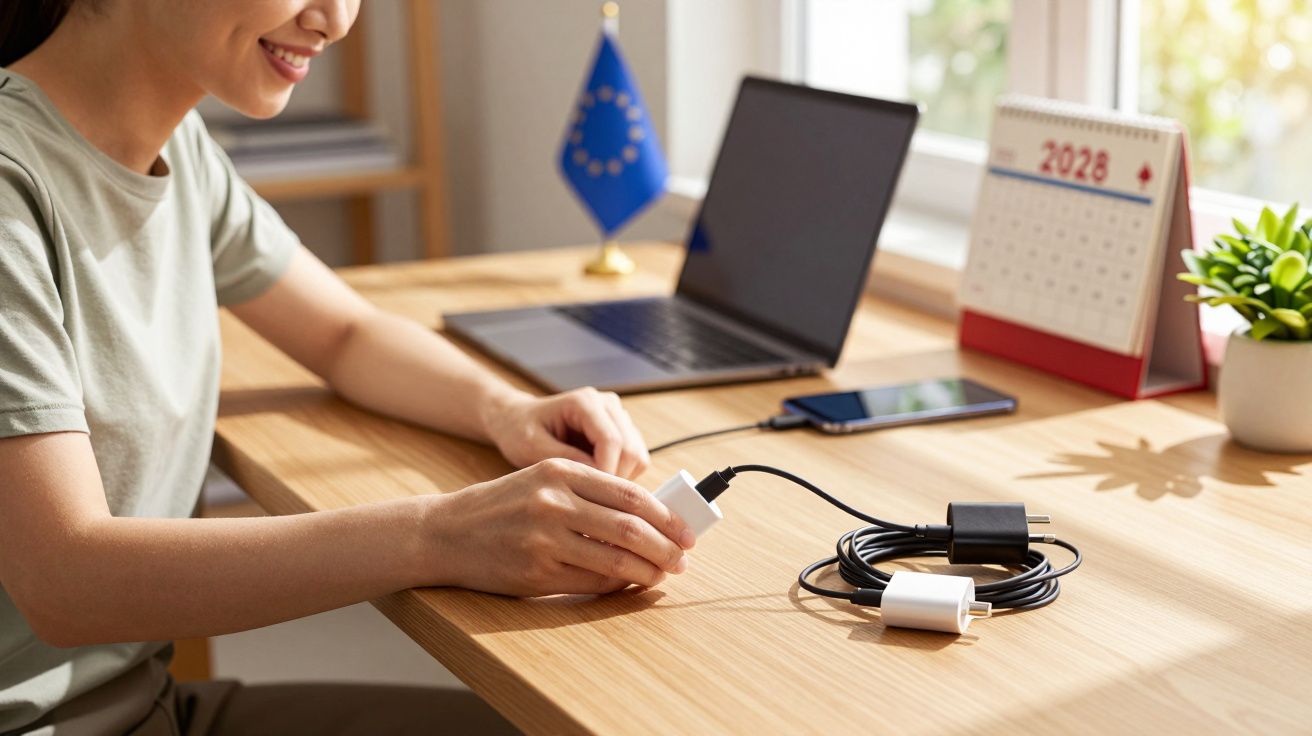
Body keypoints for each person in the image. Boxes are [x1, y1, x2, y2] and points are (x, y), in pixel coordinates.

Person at [0, 1, 695, 733]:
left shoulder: (179, 148)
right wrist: (442, 535)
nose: (334, 18)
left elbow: (344, 332)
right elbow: (65, 581)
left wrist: (506, 410)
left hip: (144, 710)